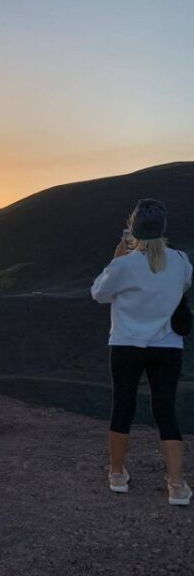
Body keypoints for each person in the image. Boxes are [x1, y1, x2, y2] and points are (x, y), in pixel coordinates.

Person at [92, 199, 193, 506]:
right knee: (166, 411)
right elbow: (184, 284)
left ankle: (117, 474)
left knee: (123, 406)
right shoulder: (180, 260)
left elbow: (99, 294)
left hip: (126, 344)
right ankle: (177, 485)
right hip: (167, 347)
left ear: (133, 230)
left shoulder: (125, 264)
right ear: (162, 230)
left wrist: (115, 260)